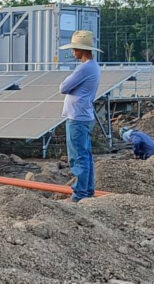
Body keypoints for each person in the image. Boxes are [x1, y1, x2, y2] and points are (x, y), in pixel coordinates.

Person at [58, 30, 102, 202]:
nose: (73, 52)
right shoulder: (92, 67)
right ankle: (87, 191)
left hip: (77, 118)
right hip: (84, 116)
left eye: (75, 48)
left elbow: (63, 87)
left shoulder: (84, 68)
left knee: (78, 157)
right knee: (85, 155)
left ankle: (80, 195)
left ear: (82, 50)